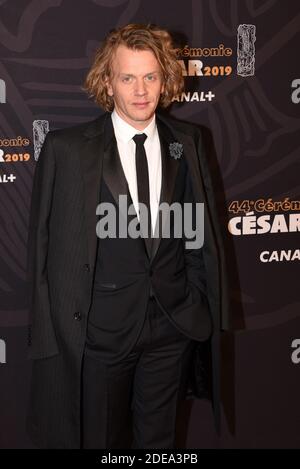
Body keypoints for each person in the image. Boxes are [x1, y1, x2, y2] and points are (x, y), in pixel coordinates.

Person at [26, 23, 230, 449]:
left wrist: (193, 300)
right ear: (107, 82)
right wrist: (51, 336)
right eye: (128, 78)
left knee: (159, 446)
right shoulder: (68, 150)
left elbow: (198, 233)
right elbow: (42, 248)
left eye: (151, 76)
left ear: (165, 80)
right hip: (100, 334)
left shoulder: (188, 141)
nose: (141, 90)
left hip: (172, 329)